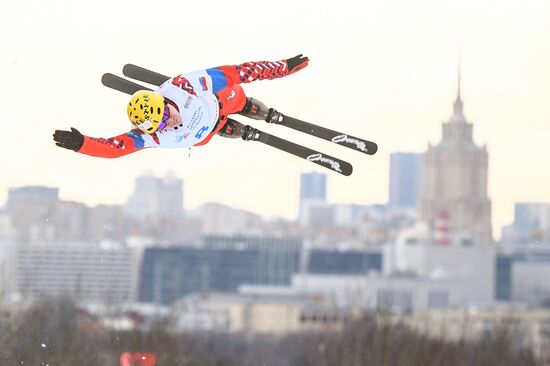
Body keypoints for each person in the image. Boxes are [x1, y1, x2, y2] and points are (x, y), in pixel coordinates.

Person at [53, 55, 309, 158]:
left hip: (218, 102)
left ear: (164, 101)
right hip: (205, 133)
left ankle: (259, 111)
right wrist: (82, 144)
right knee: (224, 131)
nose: (169, 123)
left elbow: (240, 71)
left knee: (234, 91)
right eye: (160, 125)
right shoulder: (148, 136)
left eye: (166, 115)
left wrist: (282, 68)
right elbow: (114, 149)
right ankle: (240, 131)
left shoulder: (185, 85)